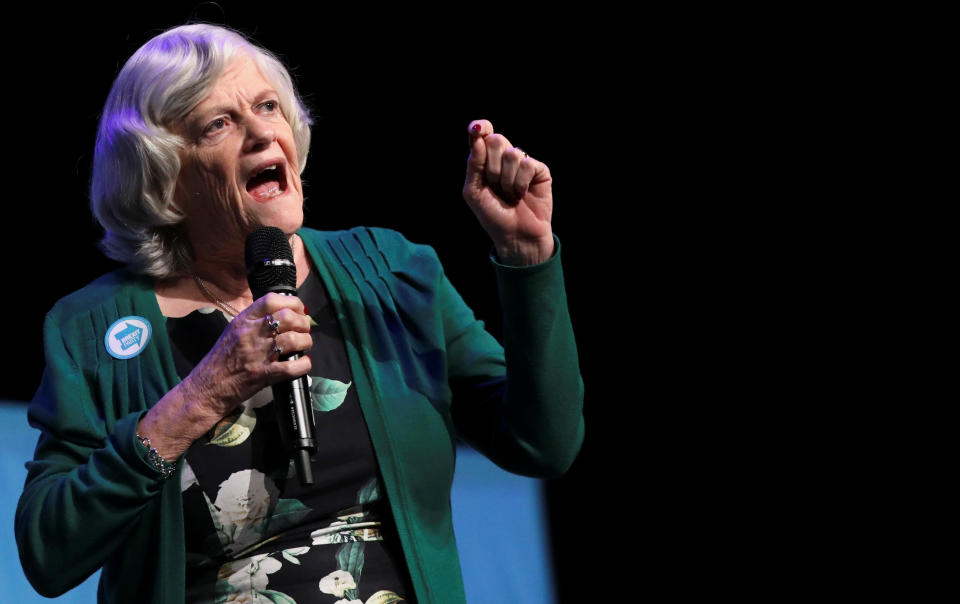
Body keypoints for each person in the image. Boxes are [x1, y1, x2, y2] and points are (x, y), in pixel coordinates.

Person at [15, 23, 583, 604]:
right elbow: (47, 553)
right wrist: (203, 394)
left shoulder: (391, 270)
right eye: (219, 123)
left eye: (267, 107)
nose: (263, 133)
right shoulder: (90, 327)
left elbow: (542, 444)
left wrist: (526, 257)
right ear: (164, 175)